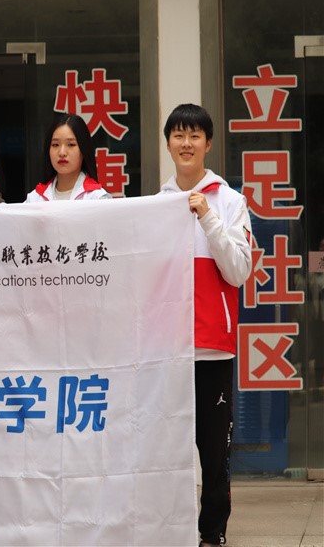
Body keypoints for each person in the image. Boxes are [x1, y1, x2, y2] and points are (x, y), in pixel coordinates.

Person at [158, 103, 252, 547]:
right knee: (167, 449)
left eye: (194, 135)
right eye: (178, 135)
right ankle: (171, 529)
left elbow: (238, 271)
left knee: (214, 453)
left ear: (208, 143)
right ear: (168, 143)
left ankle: (211, 534)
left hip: (212, 346)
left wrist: (208, 218)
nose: (186, 143)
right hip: (167, 350)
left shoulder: (231, 202)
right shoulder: (157, 204)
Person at [25, 113, 111, 202]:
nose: (62, 153)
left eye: (71, 145)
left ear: (83, 149)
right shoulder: (34, 199)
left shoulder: (98, 198)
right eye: (55, 145)